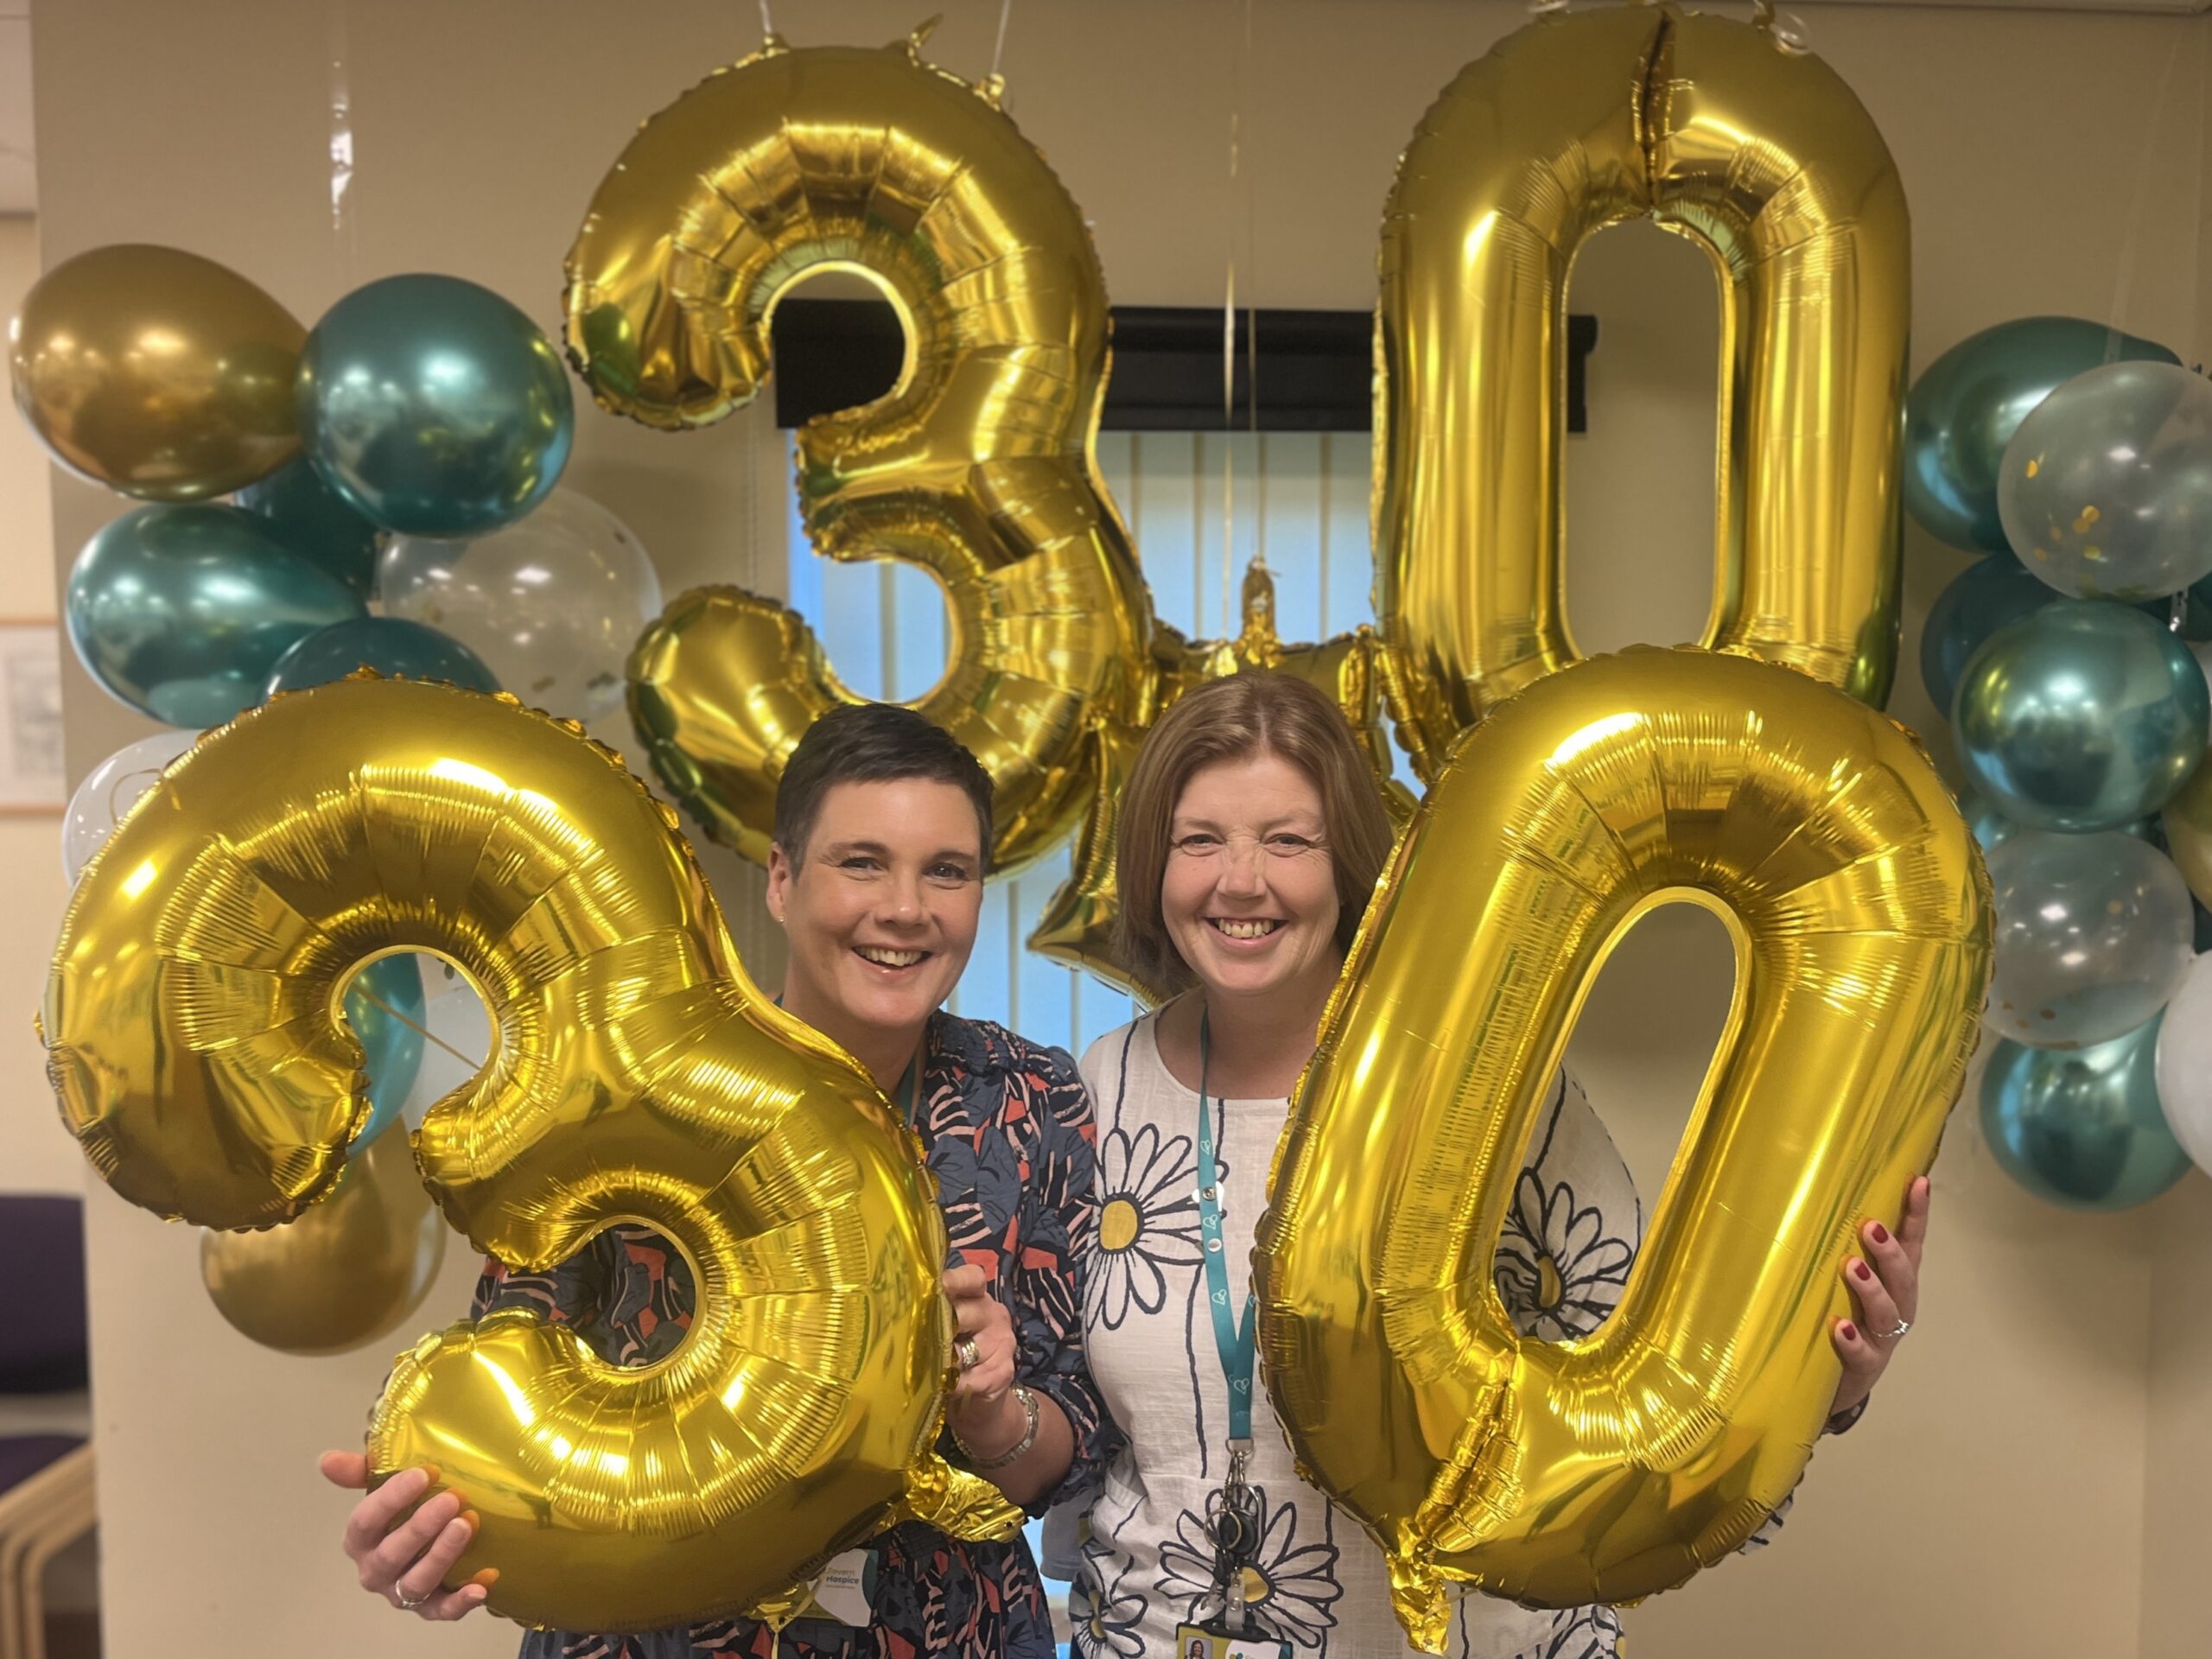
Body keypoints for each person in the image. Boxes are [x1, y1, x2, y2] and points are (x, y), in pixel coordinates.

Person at [1065, 672, 1923, 1658]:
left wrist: (1837, 1382)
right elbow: (1076, 1436)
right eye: (1198, 839)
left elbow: (1666, 1397)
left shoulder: (1481, 1083)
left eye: (1287, 840)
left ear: (1349, 866)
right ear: (1150, 863)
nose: (1241, 880)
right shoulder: (1104, 1088)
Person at [321, 703, 1118, 1658]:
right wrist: (435, 1530)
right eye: (860, 862)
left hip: (948, 1635)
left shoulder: (1031, 1099)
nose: (906, 907)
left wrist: (994, 1415)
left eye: (946, 871)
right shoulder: (632, 1081)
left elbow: (1065, 1451)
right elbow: (516, 1362)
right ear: (781, 880)